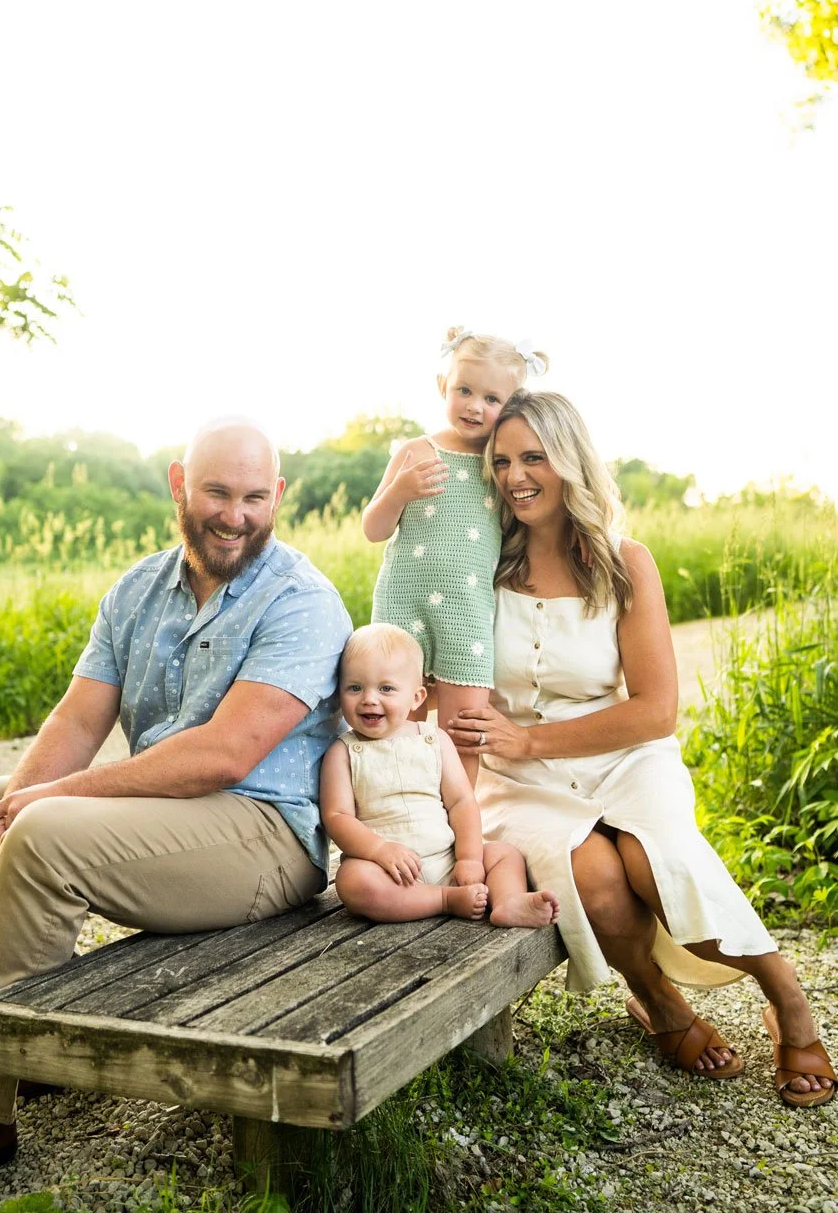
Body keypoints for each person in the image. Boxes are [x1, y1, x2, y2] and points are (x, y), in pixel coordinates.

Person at [0, 418, 353, 1203]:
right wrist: (17, 800)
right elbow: (78, 722)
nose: (236, 515)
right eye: (218, 491)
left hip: (265, 837)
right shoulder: (139, 589)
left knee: (42, 834)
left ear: (277, 497)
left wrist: (45, 804)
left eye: (255, 497)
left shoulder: (303, 602)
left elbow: (222, 756)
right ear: (179, 485)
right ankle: (40, 1038)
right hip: (170, 818)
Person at [447, 390, 834, 1109]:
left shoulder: (624, 562)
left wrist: (533, 734)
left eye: (533, 457)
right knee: (595, 876)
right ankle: (656, 1002)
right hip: (516, 775)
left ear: (570, 461)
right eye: (500, 462)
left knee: (654, 860)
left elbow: (655, 711)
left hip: (625, 755)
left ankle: (784, 995)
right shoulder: (478, 568)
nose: (514, 475)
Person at [363, 326, 548, 781]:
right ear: (443, 386)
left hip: (467, 609)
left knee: (463, 729)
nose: (474, 406)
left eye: (491, 399)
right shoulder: (415, 452)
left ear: (512, 405)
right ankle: (399, 805)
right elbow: (373, 528)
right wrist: (400, 493)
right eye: (464, 390)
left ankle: (460, 819)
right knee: (395, 719)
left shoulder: (500, 463)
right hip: (402, 603)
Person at [321, 623, 559, 928]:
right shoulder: (343, 752)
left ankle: (508, 903)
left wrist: (470, 858)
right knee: (352, 881)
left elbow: (461, 802)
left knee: (504, 855)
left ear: (417, 697)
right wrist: (378, 850)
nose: (369, 699)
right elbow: (338, 816)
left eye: (386, 689)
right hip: (388, 869)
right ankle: (444, 899)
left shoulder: (434, 740)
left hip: (448, 858)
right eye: (355, 687)